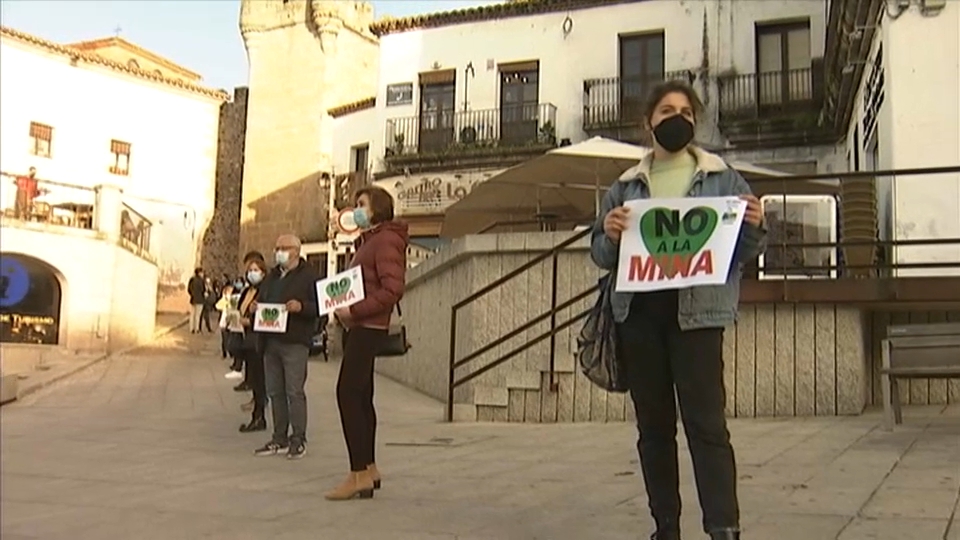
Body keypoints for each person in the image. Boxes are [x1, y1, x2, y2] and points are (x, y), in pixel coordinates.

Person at [590, 81, 765, 540]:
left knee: (707, 426)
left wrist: (756, 225)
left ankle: (723, 527)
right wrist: (607, 234)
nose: (677, 118)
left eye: (686, 111)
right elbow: (600, 254)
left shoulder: (723, 178)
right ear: (648, 121)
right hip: (639, 318)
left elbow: (740, 249)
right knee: (654, 430)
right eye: (667, 110)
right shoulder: (625, 186)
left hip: (699, 317)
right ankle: (665, 526)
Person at [326, 186, 408, 501]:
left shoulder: (385, 240)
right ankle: (369, 468)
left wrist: (355, 310)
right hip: (361, 325)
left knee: (347, 393)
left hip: (368, 326)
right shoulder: (371, 240)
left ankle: (357, 472)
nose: (355, 209)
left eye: (361, 204)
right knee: (361, 395)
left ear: (376, 209)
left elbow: (392, 289)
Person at [253, 234, 320, 459]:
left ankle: (298, 438)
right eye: (277, 247)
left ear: (296, 251)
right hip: (270, 340)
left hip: (294, 341)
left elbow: (320, 307)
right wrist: (256, 307)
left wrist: (301, 307)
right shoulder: (272, 276)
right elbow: (263, 299)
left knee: (294, 391)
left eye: (283, 248)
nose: (278, 252)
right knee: (275, 391)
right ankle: (278, 437)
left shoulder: (309, 276)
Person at [232, 252, 270, 433]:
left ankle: (259, 416)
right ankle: (257, 412)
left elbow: (269, 314)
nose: (252, 273)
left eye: (256, 270)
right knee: (254, 379)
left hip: (260, 340)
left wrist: (252, 321)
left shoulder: (266, 291)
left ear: (263, 272)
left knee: (260, 380)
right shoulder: (248, 291)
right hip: (247, 339)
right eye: (250, 270)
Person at [187, 268, 206, 334]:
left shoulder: (192, 280)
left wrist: (192, 294)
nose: (203, 274)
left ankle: (191, 328)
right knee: (197, 315)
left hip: (193, 299)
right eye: (202, 273)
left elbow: (189, 289)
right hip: (200, 299)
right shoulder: (202, 281)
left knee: (192, 314)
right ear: (199, 273)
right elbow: (204, 290)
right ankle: (196, 328)